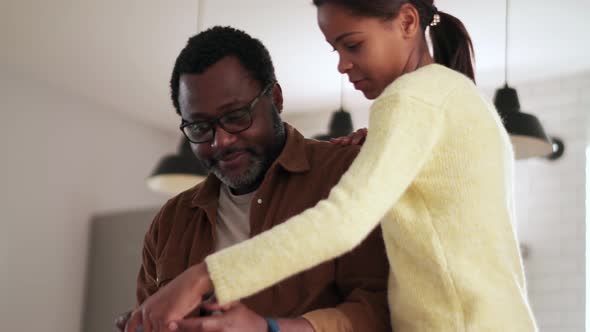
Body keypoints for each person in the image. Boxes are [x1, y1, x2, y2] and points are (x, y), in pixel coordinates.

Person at [127, 1, 540, 331]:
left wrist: (202, 277)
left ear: (408, 21)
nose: (341, 65)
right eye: (336, 49)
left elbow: (341, 223)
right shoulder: (453, 96)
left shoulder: (409, 100)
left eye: (353, 45)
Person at [119, 26, 391, 332]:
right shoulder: (170, 221)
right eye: (199, 127)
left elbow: (383, 311)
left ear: (275, 98)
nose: (221, 141)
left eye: (236, 117)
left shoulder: (348, 173)